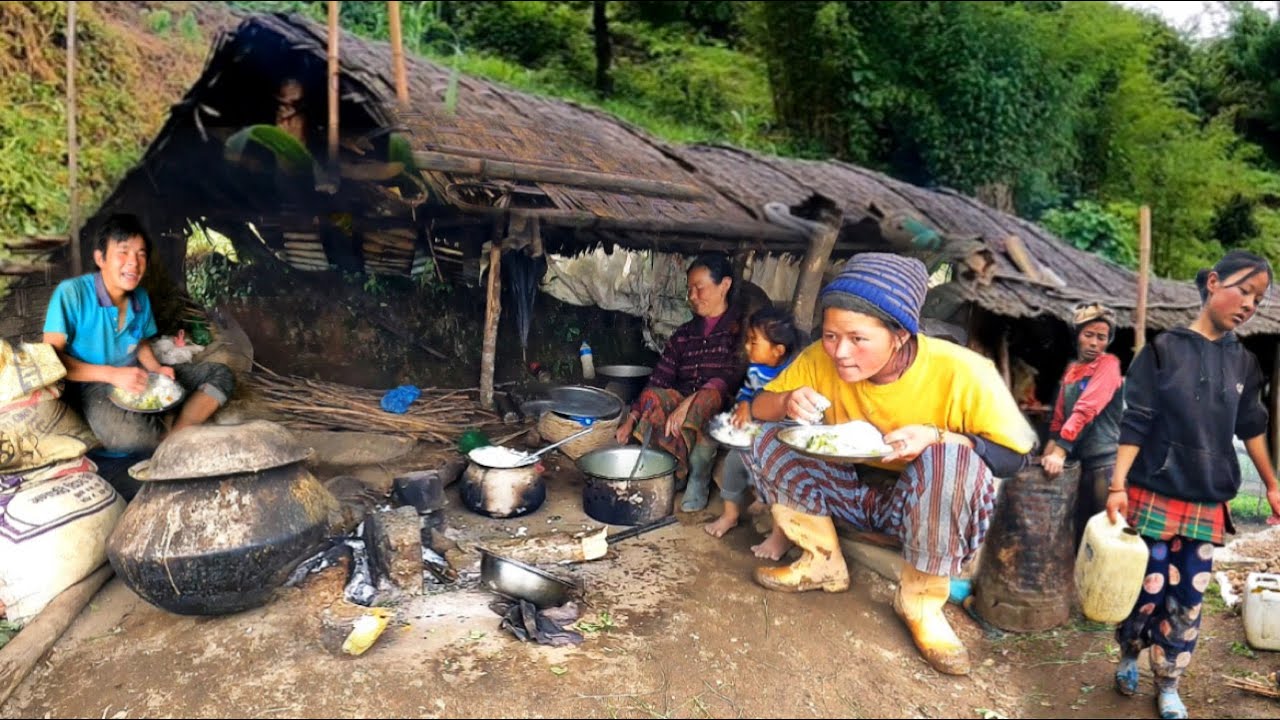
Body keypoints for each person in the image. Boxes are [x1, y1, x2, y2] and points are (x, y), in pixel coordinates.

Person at [746, 252, 1037, 676]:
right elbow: (759, 407)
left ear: (900, 335)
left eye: (858, 339)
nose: (840, 352)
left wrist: (938, 437)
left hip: (918, 511)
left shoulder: (964, 373)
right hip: (849, 494)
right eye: (830, 336)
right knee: (767, 436)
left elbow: (1016, 457)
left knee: (950, 458)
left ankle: (921, 603)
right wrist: (787, 401)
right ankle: (822, 559)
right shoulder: (818, 359)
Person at [1106, 250, 1280, 720]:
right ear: (1212, 282)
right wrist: (1117, 484)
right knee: (1147, 587)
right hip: (1153, 491)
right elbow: (1136, 420)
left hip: (1205, 497)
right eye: (1244, 290)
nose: (1249, 304)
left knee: (1188, 596)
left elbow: (1253, 427)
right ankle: (1129, 653)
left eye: (1258, 300)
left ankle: (1169, 681)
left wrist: (1272, 484)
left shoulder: (1244, 363)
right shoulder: (1164, 349)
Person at [43, 214, 236, 455]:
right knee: (134, 440)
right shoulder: (72, 293)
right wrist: (112, 375)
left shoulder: (140, 297)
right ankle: (159, 432)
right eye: (123, 252)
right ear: (100, 258)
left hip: (138, 376)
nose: (133, 262)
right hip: (92, 384)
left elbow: (141, 342)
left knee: (221, 375)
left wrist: (156, 369)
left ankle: (177, 437)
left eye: (141, 254)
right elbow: (49, 359)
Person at [615, 253, 747, 512]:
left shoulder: (740, 330)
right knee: (654, 394)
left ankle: (698, 477)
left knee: (707, 398)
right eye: (690, 289)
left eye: (700, 288)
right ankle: (673, 469)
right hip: (683, 406)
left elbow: (731, 376)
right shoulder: (685, 334)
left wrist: (689, 402)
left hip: (725, 408)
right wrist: (631, 419)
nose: (693, 297)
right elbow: (659, 378)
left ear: (725, 285)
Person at [704, 306, 801, 549]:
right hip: (755, 435)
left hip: (783, 442)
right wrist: (743, 405)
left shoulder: (795, 373)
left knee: (779, 476)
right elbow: (746, 393)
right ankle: (730, 514)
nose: (747, 347)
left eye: (754, 342)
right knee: (733, 464)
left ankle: (781, 535)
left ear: (778, 351)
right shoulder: (756, 369)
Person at [1040, 302, 1124, 544]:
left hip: (1104, 466)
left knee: (1102, 537)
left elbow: (1086, 408)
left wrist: (1059, 451)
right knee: (1076, 534)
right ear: (1077, 336)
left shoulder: (1109, 365)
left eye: (1102, 337)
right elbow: (1059, 417)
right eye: (1089, 335)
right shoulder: (1072, 371)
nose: (1095, 343)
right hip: (1079, 467)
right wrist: (1049, 450)